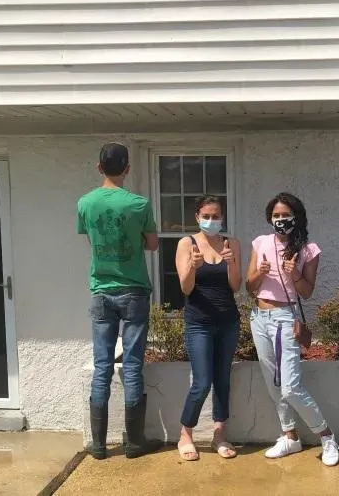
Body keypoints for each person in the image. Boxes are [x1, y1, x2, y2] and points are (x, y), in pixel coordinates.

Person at [77, 143, 162, 460]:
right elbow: (152, 244)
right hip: (134, 290)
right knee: (133, 365)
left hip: (101, 290)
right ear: (127, 168)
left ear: (99, 167)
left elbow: (92, 240)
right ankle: (135, 442)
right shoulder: (139, 204)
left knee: (102, 366)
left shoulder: (85, 203)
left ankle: (99, 445)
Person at [245, 192, 339, 467]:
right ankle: (290, 436)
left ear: (296, 217)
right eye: (276, 215)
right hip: (259, 317)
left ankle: (327, 436)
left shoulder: (308, 250)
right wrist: (260, 272)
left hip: (284, 319)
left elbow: (307, 292)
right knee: (273, 383)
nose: (280, 219)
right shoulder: (260, 243)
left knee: (290, 387)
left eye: (285, 215)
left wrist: (294, 273)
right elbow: (249, 287)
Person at [175, 195, 242, 461]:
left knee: (222, 379)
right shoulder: (187, 244)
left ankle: (219, 434)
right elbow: (185, 288)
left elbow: (236, 286)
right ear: (197, 217)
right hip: (199, 323)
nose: (211, 221)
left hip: (228, 322)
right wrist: (193, 266)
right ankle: (185, 433)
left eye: (216, 216)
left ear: (222, 217)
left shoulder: (231, 244)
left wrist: (231, 263)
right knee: (202, 382)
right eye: (206, 216)